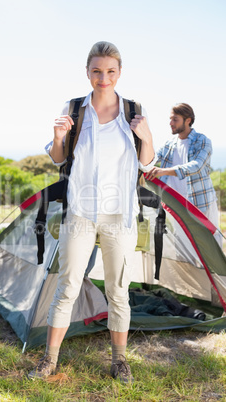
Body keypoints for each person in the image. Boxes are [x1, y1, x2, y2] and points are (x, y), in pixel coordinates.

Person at [28, 41, 155, 383]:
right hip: (81, 213)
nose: (103, 78)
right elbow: (58, 158)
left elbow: (147, 163)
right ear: (87, 72)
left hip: (120, 216)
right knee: (67, 286)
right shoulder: (75, 109)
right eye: (97, 71)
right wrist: (57, 137)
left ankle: (119, 360)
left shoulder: (133, 111)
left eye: (110, 71)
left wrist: (147, 136)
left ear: (119, 73)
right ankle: (49, 360)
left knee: (118, 289)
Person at [146, 103, 222, 246]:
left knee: (210, 244)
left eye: (175, 119)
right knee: (184, 246)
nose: (171, 123)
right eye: (170, 119)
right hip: (178, 205)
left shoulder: (202, 141)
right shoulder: (170, 144)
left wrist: (165, 171)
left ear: (188, 120)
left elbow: (197, 166)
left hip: (201, 202)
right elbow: (152, 159)